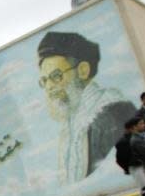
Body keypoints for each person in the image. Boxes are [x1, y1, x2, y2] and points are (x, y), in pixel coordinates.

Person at [36, 31, 136, 184]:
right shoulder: (71, 119)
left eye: (56, 76)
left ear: (83, 70)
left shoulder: (111, 110)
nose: (49, 87)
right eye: (44, 81)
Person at [114, 119, 145, 188]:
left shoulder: (140, 137)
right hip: (136, 167)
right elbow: (120, 159)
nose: (143, 126)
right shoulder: (123, 142)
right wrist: (128, 168)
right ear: (132, 128)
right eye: (140, 124)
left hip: (144, 165)